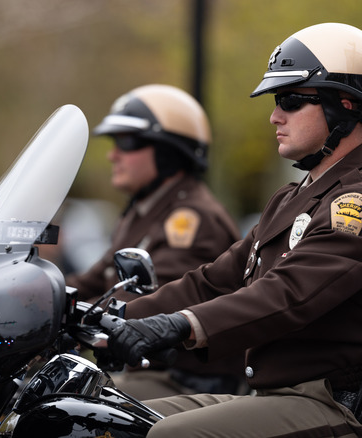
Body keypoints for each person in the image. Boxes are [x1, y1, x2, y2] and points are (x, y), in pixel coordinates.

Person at [106, 23, 362, 438]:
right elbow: (212, 282)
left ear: (344, 105)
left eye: (290, 100)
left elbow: (288, 294)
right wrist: (114, 317)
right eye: (277, 101)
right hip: (274, 396)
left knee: (170, 436)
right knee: (108, 414)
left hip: (331, 405)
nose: (275, 115)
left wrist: (178, 325)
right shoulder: (291, 200)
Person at [66, 84, 245, 399]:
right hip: (146, 371)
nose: (113, 154)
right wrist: (39, 293)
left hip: (185, 380)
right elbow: (97, 278)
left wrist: (82, 314)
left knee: (71, 407)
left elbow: (163, 296)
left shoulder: (191, 219)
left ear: (168, 151)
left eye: (126, 141)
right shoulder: (142, 211)